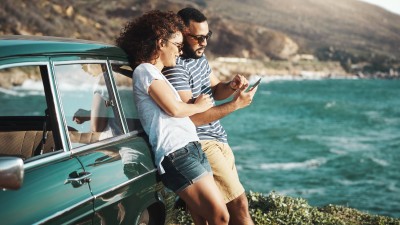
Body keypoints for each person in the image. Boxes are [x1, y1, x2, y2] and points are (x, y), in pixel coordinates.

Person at [116, 10, 229, 225]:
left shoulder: (157, 75)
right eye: (177, 45)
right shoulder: (145, 71)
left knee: (204, 219)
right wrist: (199, 106)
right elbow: (175, 110)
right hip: (176, 153)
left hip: (191, 148)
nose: (180, 51)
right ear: (160, 43)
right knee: (221, 216)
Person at [162, 7, 257, 225]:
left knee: (221, 211)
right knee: (239, 204)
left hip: (219, 139)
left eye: (207, 36)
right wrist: (235, 105)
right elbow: (191, 118)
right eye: (198, 38)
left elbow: (214, 89)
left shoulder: (200, 59)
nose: (204, 42)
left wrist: (231, 86)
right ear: (181, 34)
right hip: (202, 142)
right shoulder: (175, 68)